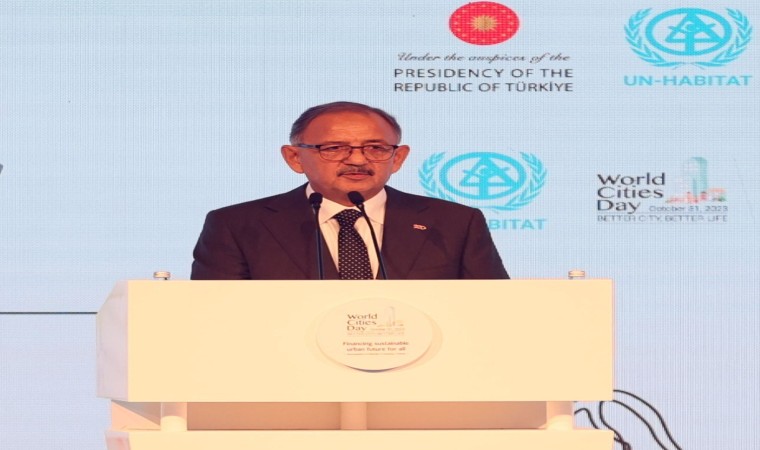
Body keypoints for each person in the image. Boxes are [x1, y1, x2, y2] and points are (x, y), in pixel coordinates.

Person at [191, 101, 509, 280]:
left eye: (376, 148)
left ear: (398, 158)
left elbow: (493, 310)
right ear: (294, 158)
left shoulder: (453, 223)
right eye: (334, 148)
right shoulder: (237, 226)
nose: (357, 160)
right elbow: (214, 315)